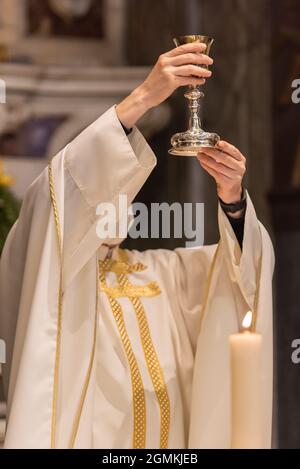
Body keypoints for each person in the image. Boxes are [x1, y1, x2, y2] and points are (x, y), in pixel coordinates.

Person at [0, 42, 274, 449]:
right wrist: (144, 97)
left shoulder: (165, 272)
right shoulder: (49, 275)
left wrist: (232, 197)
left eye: (121, 185)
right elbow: (51, 199)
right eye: (99, 184)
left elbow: (238, 277)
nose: (113, 198)